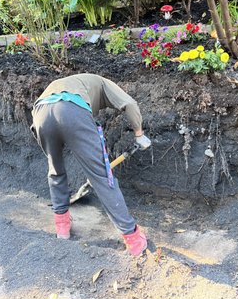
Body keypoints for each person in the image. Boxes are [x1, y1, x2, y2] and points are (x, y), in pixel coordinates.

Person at [31, 73, 152, 256]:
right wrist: (138, 134)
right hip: (71, 111)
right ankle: (133, 239)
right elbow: (130, 104)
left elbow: (38, 126)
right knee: (102, 177)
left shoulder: (72, 82)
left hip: (40, 115)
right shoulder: (103, 82)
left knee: (55, 170)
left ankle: (62, 228)